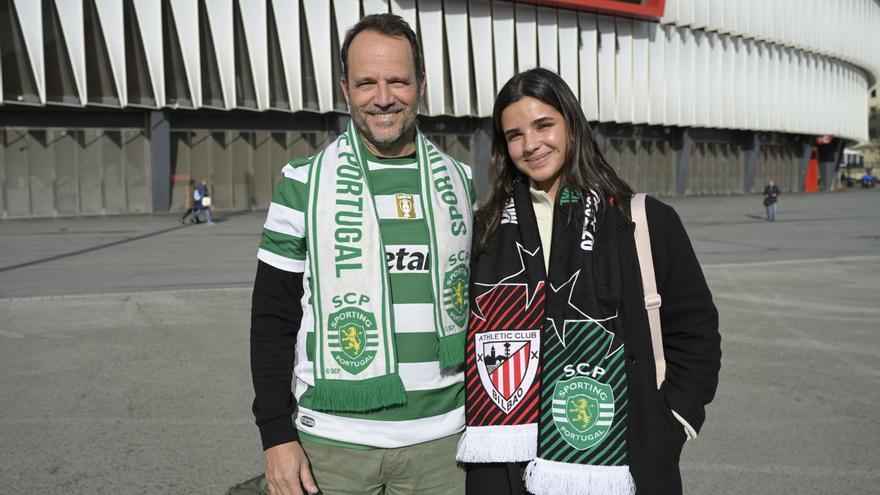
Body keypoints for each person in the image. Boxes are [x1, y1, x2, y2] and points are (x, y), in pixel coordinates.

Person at [456, 68, 721, 495]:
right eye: (514, 134)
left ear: (572, 127)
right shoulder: (486, 231)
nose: (531, 144)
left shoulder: (642, 220)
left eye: (544, 125)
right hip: (510, 460)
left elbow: (696, 332)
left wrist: (671, 423)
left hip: (623, 455)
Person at [250, 14, 475, 495]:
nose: (384, 97)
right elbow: (272, 317)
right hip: (331, 447)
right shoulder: (302, 183)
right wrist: (275, 436)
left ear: (422, 84)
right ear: (345, 89)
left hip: (445, 445)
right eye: (366, 82)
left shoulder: (462, 184)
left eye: (398, 80)